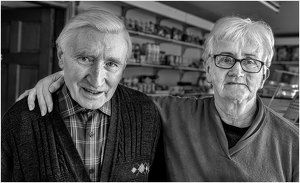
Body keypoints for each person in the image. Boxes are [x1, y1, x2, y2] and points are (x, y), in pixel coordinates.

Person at [14, 16, 299, 181]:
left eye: (250, 62)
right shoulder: (169, 112)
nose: (237, 71)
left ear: (264, 74)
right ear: (208, 68)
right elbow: (107, 92)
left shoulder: (293, 144)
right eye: (225, 59)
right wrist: (63, 78)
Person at [1, 9, 162, 182]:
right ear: (61, 57)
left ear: (123, 67)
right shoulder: (21, 119)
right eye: (85, 59)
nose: (97, 81)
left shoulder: (146, 113)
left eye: (112, 64)